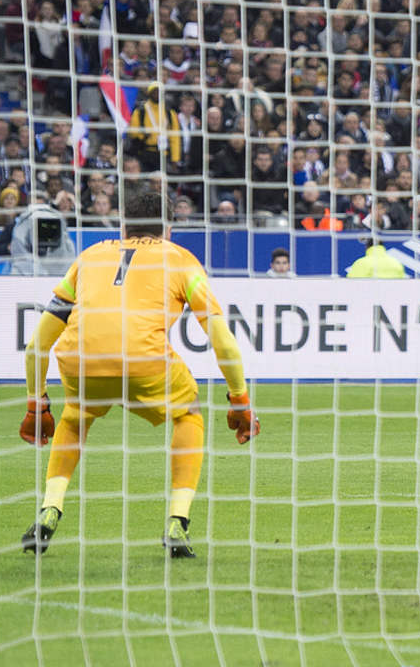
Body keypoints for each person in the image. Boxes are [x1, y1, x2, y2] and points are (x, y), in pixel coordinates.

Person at [19, 192, 258, 559]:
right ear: (169, 228)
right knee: (188, 413)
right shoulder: (180, 259)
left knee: (74, 416)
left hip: (80, 360)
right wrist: (239, 399)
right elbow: (222, 340)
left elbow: (37, 344)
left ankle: (51, 508)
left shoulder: (89, 256)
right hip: (144, 361)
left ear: (123, 225)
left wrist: (37, 403)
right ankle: (178, 521)